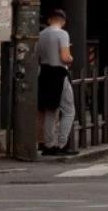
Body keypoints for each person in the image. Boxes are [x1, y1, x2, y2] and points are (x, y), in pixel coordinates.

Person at [37, 9, 77, 156]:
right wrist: (71, 57)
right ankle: (62, 143)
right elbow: (65, 57)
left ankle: (49, 144)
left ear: (49, 20)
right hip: (59, 73)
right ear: (63, 21)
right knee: (68, 110)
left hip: (44, 72)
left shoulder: (40, 35)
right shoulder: (62, 34)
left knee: (49, 110)